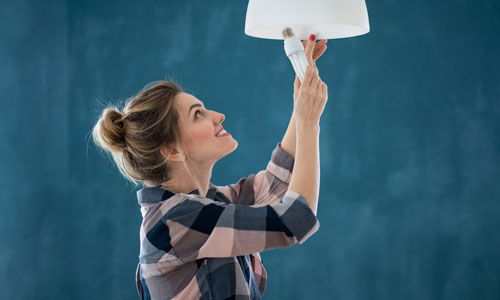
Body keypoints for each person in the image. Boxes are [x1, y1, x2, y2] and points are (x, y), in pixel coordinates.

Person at [92, 35, 328, 300]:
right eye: (198, 114)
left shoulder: (207, 203)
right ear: (172, 150)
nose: (218, 116)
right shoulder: (176, 220)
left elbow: (276, 181)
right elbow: (295, 221)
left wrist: (301, 104)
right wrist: (308, 122)